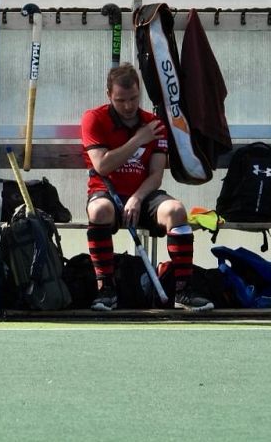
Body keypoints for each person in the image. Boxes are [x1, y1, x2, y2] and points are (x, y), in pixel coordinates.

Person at [81, 63, 213, 312]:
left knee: (176, 211)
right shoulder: (94, 119)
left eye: (133, 98)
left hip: (144, 195)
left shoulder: (155, 123)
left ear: (139, 91)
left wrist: (137, 198)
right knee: (99, 211)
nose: (128, 106)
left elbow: (156, 175)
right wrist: (139, 139)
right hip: (107, 193)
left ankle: (183, 291)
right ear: (108, 95)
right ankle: (106, 289)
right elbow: (102, 166)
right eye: (121, 100)